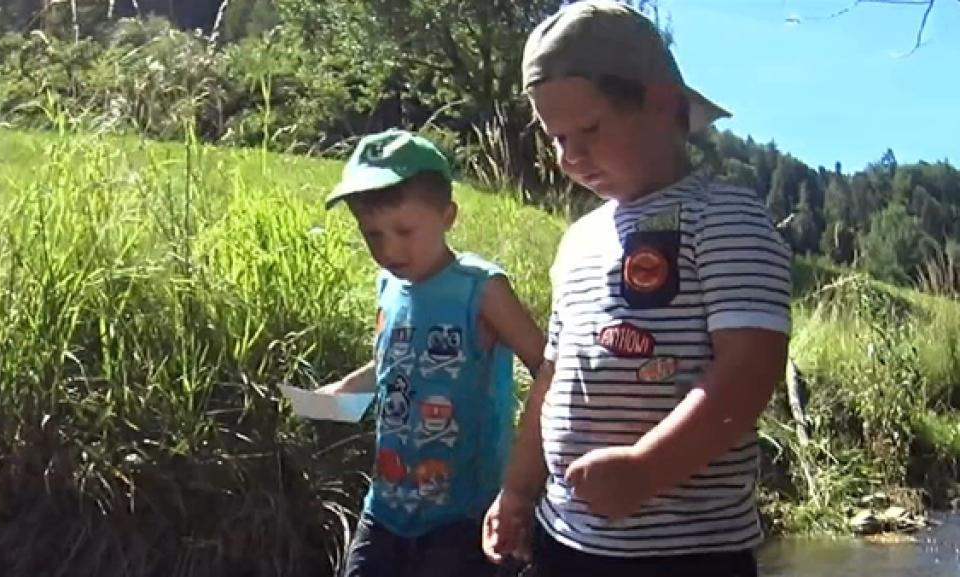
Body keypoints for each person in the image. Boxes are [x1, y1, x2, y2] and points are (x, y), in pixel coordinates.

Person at [481, 2, 791, 576]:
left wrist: (648, 468)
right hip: (564, 538)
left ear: (665, 105)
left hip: (687, 554)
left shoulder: (723, 216)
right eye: (557, 137)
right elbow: (552, 375)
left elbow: (751, 367)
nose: (571, 156)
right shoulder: (578, 239)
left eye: (590, 130)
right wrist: (519, 491)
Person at [319, 128, 546, 577]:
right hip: (385, 505)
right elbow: (392, 362)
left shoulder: (481, 289)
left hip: (461, 513)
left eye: (404, 230)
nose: (388, 249)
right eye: (372, 234)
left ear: (448, 216)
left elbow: (547, 368)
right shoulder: (388, 286)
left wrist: (527, 476)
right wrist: (337, 395)